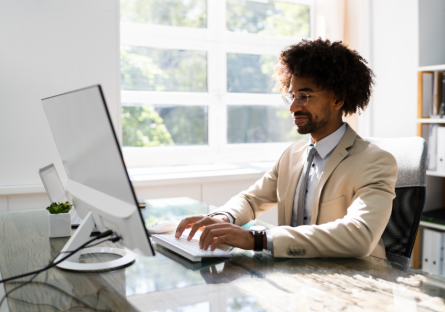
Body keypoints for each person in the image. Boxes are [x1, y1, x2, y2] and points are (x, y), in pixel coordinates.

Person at [175, 38, 398, 259]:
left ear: (337, 99)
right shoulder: (292, 155)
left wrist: (258, 239)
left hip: (354, 284)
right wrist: (224, 217)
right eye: (292, 96)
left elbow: (360, 236)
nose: (293, 107)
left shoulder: (375, 161)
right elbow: (252, 200)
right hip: (297, 279)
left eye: (304, 96)